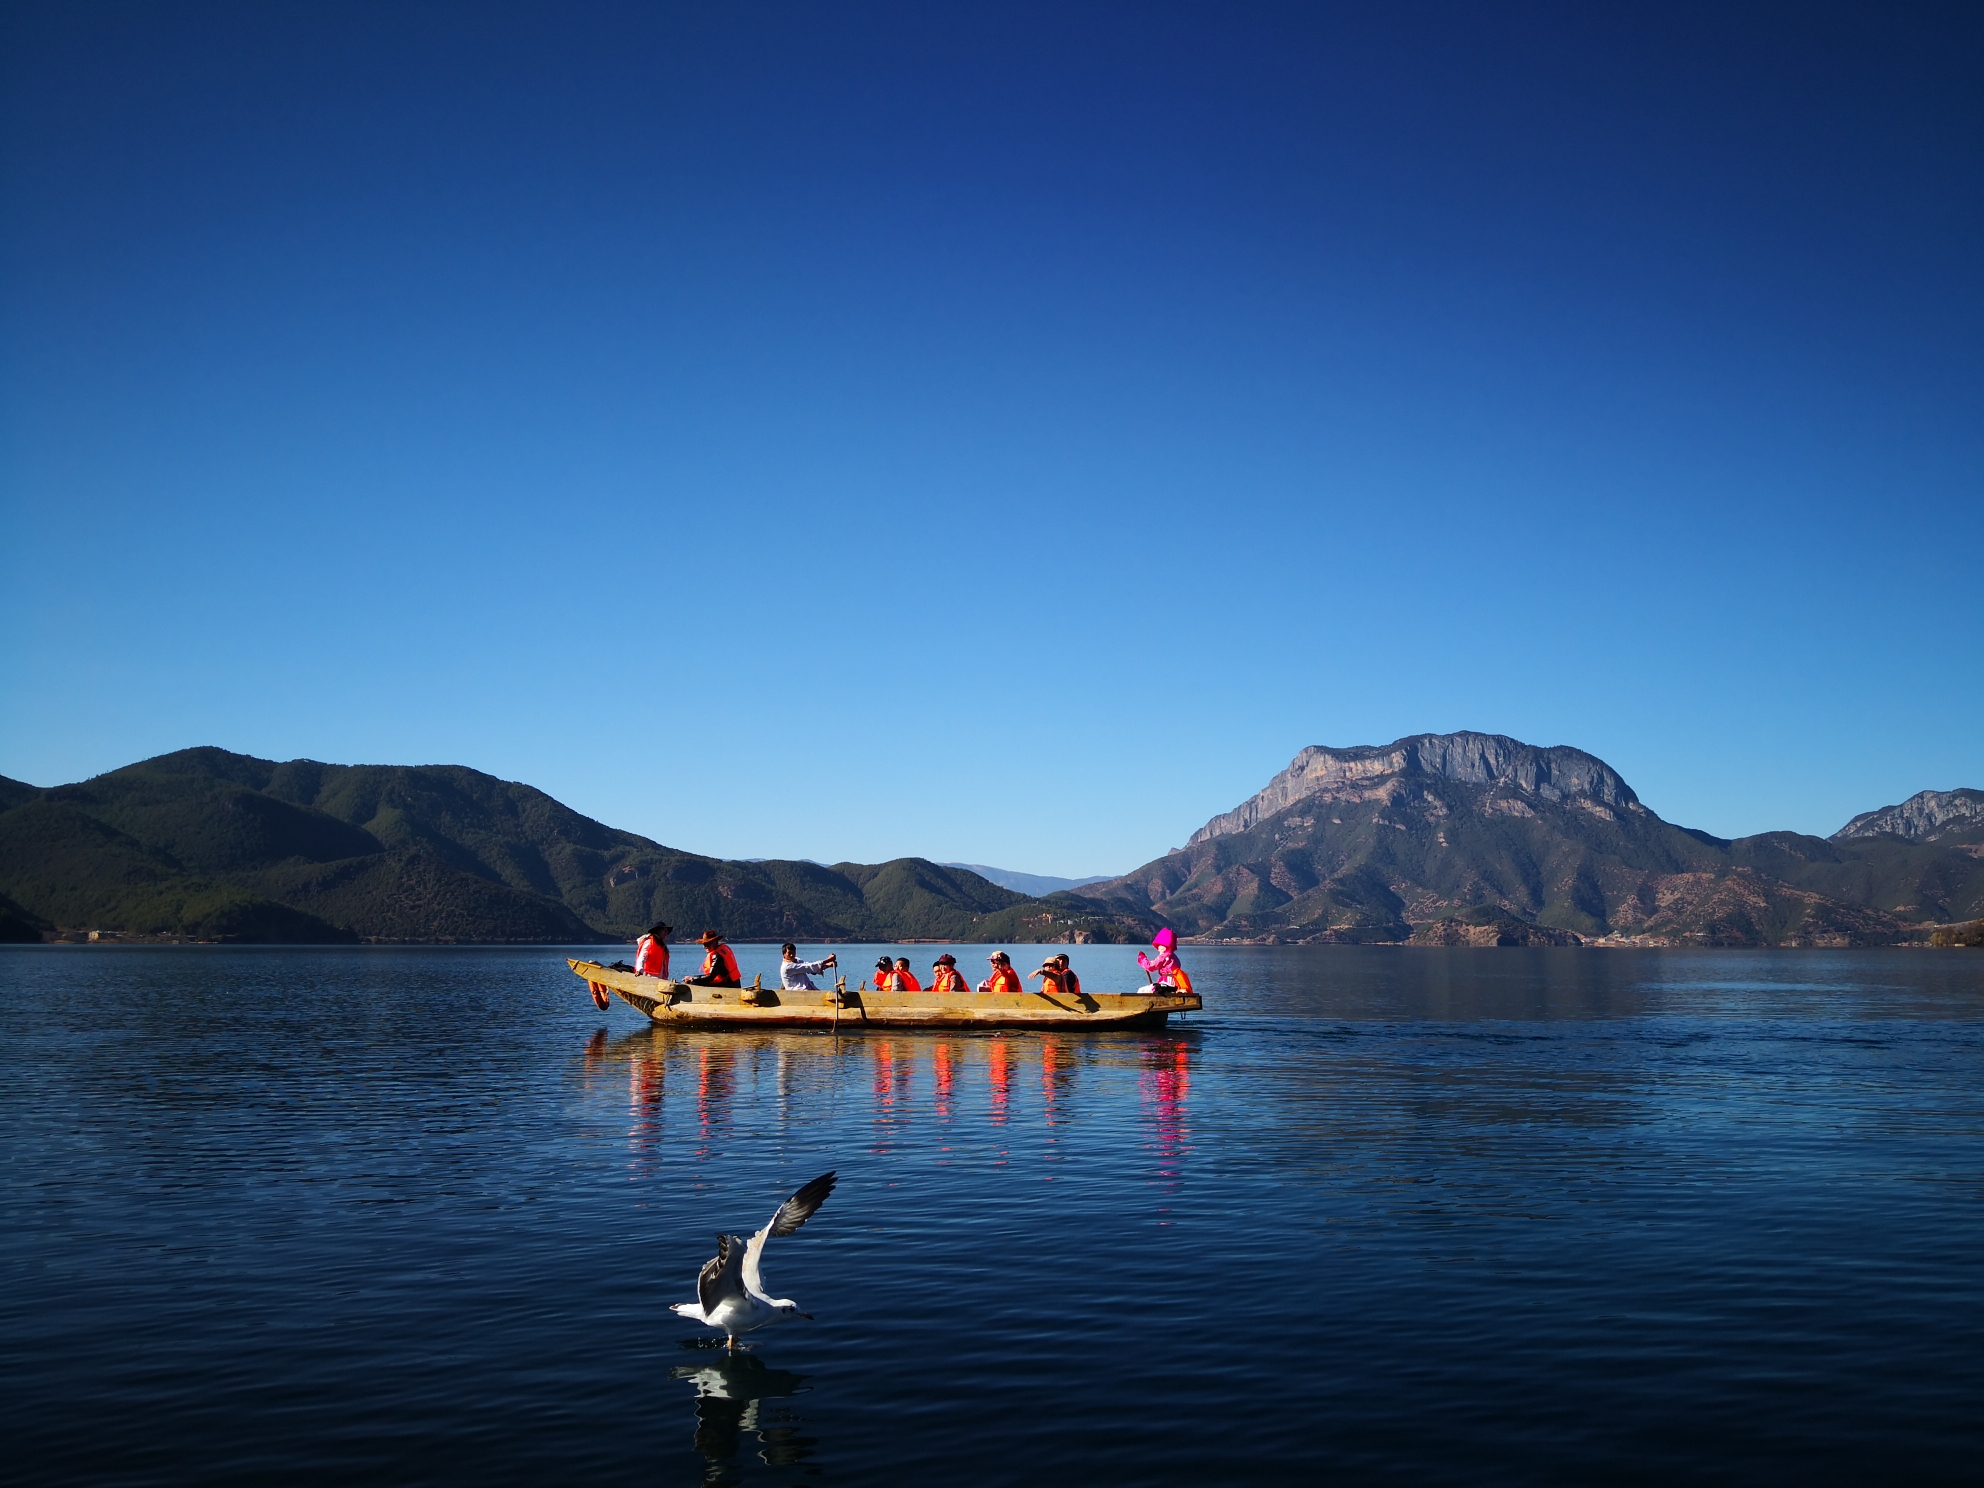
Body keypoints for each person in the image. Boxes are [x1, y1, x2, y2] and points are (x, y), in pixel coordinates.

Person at [1136, 927, 1185, 992]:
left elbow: (1151, 966)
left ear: (1164, 946)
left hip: (1167, 983)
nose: (1158, 949)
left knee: (1141, 990)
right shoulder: (1174, 957)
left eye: (1159, 946)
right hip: (1175, 983)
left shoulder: (1164, 956)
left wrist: (1142, 958)